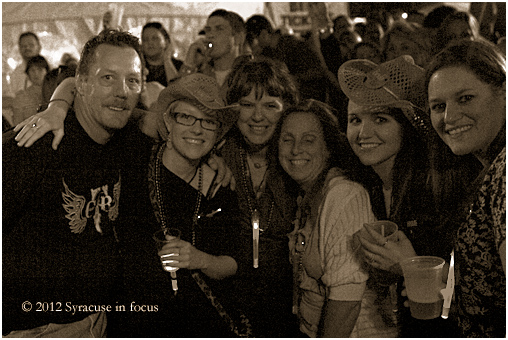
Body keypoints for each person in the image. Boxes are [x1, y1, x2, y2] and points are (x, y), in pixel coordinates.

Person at [3, 29, 144, 338]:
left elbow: (182, 126)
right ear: (83, 84)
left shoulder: (125, 138)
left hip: (97, 321)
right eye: (107, 78)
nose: (122, 91)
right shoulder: (34, 144)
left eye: (132, 80)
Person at [338, 55, 470, 337]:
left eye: (380, 119)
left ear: (406, 127)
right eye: (355, 119)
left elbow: (470, 287)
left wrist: (409, 266)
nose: (363, 132)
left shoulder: (435, 187)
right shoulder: (366, 186)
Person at [110, 73, 243, 337]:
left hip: (201, 321)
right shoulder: (135, 161)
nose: (197, 129)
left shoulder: (221, 187)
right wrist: (55, 106)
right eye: (186, 117)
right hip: (138, 321)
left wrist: (199, 259)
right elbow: (84, 102)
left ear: (217, 133)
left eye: (209, 122)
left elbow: (234, 262)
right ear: (168, 121)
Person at [278, 99, 396, 337]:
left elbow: (347, 304)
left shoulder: (343, 195)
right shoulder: (308, 197)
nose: (295, 149)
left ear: (328, 147)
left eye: (309, 140)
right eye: (287, 139)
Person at [426, 39, 505, 337]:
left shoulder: (505, 171)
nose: (448, 117)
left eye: (465, 98)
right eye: (438, 106)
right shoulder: (485, 170)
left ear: (504, 91)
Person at [219, 55, 301, 337]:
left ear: (287, 109)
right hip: (228, 304)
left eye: (270, 106)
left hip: (290, 309)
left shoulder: (299, 159)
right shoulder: (217, 154)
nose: (257, 116)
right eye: (246, 105)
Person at [245, 14, 330, 102]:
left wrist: (293, 79)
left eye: (253, 39)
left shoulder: (294, 46)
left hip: (307, 100)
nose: (253, 44)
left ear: (263, 34)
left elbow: (317, 71)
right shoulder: (268, 52)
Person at [179, 9, 246, 86]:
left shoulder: (251, 76)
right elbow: (174, 96)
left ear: (238, 38)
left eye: (219, 29)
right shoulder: (201, 75)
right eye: (208, 30)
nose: (210, 35)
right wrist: (189, 64)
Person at [141, 22, 183, 87]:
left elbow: (178, 91)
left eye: (155, 38)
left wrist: (167, 60)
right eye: (145, 39)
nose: (150, 42)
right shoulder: (137, 66)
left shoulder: (179, 66)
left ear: (166, 41)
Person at [12, 55, 50, 125]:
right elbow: (17, 125)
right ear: (28, 74)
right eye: (32, 70)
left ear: (47, 71)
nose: (36, 74)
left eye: (39, 69)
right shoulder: (21, 97)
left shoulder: (55, 93)